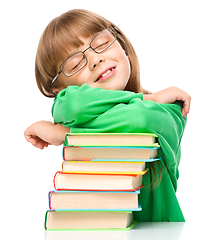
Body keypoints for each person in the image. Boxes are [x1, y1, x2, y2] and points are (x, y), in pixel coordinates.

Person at [24, 9, 191, 221]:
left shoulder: (170, 108)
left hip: (158, 230)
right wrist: (148, 99)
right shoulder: (154, 101)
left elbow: (140, 120)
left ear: (123, 47)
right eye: (75, 64)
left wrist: (66, 133)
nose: (95, 59)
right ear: (61, 91)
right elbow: (73, 105)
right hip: (98, 226)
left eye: (101, 43)